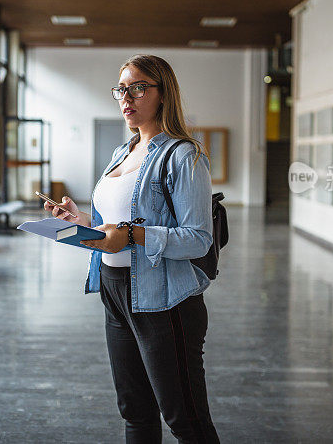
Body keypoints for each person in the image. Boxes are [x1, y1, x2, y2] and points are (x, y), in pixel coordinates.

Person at [43, 54, 220, 443]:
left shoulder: (183, 155)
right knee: (135, 414)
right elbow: (113, 223)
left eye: (138, 87)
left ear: (162, 93)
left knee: (185, 419)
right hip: (114, 290)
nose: (127, 97)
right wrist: (81, 221)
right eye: (122, 89)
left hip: (164, 300)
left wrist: (134, 235)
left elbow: (198, 238)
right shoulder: (120, 154)